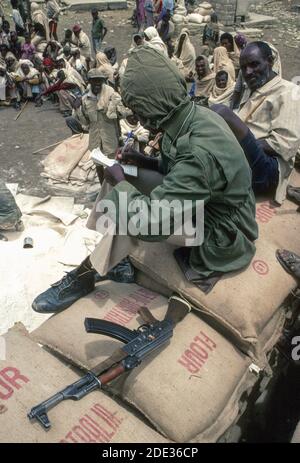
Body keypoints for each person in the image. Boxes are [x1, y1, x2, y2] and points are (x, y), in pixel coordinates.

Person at [32, 46, 258, 313]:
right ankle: (113, 257)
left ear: (154, 101)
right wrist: (143, 162)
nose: (137, 117)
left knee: (130, 209)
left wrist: (123, 185)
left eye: (139, 107)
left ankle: (89, 272)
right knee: (123, 177)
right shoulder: (188, 115)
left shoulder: (199, 150)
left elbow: (151, 224)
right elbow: (176, 166)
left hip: (223, 232)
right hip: (208, 202)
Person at [212, 41, 300, 204]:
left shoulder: (289, 91)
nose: (248, 72)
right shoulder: (256, 90)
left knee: (222, 113)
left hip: (268, 169)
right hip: (244, 158)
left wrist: (237, 144)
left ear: (270, 61)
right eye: (244, 68)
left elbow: (286, 144)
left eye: (254, 65)